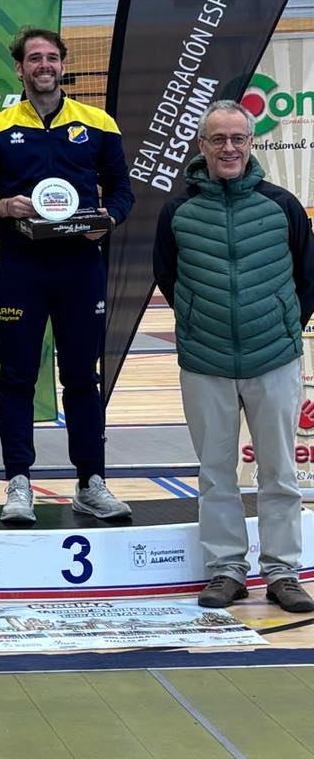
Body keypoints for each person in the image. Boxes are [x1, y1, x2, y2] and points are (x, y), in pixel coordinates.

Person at [0, 27, 134, 524]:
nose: (43, 65)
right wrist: (3, 205)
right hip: (22, 268)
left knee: (82, 376)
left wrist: (109, 221)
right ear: (19, 68)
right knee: (16, 377)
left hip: (81, 267)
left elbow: (122, 193)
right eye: (34, 58)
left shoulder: (97, 123)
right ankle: (19, 483)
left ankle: (91, 482)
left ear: (63, 65)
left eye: (51, 57)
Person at [154, 100, 314, 612]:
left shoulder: (282, 205)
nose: (229, 148)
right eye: (218, 139)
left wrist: (286, 327)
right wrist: (199, 319)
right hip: (206, 362)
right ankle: (225, 569)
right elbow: (168, 275)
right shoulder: (178, 211)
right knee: (216, 472)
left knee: (280, 472)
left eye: (237, 139)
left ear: (250, 143)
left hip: (276, 359)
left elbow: (308, 278)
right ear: (202, 147)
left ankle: (283, 572)